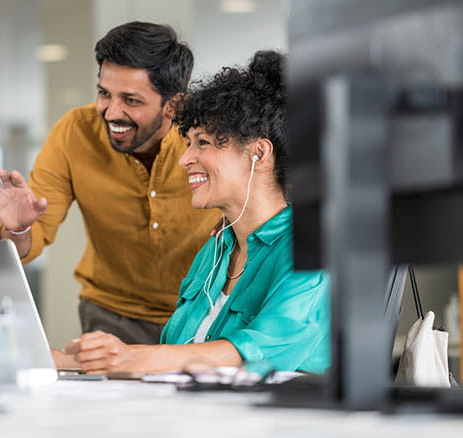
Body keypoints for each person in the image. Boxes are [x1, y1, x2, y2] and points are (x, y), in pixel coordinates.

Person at [61, 51, 331, 374]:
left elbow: (254, 352)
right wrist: (64, 360)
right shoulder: (215, 251)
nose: (185, 159)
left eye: (202, 143)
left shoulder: (310, 248)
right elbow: (174, 353)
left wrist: (130, 357)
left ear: (259, 153)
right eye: (189, 143)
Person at [0, 22, 221, 345]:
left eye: (131, 100)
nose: (111, 112)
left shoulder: (212, 138)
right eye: (104, 93)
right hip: (113, 317)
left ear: (172, 106)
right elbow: (31, 240)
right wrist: (19, 228)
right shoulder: (75, 133)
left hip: (204, 314)